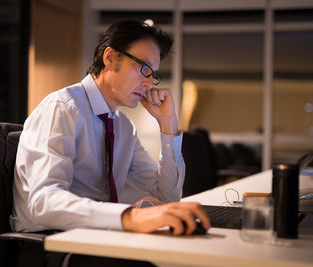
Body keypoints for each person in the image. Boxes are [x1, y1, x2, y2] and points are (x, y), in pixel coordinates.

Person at [11, 20, 209, 251]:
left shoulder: (123, 126)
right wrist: (129, 217)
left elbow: (166, 198)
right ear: (110, 58)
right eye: (144, 68)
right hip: (49, 245)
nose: (148, 83)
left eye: (153, 74)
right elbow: (43, 202)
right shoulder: (62, 108)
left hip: (95, 241)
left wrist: (167, 126)